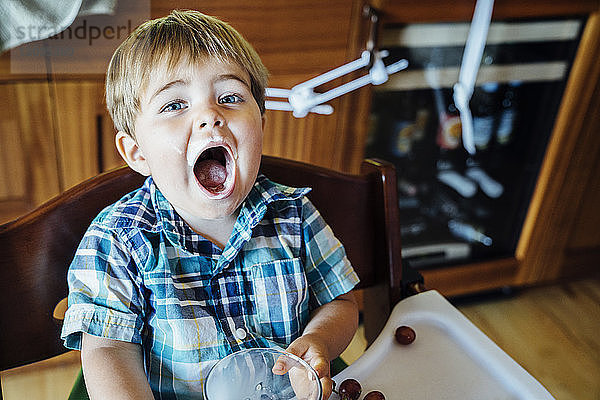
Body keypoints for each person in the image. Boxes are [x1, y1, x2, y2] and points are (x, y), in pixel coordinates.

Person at [60, 9, 359, 400]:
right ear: (137, 152)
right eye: (174, 105)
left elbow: (340, 302)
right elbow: (108, 351)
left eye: (230, 97)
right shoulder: (117, 240)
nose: (210, 116)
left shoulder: (294, 213)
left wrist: (320, 339)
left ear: (262, 125)